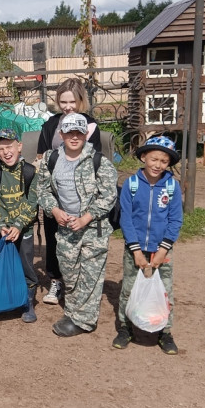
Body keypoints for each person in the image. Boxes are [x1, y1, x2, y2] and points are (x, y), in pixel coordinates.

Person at [36, 113, 117, 337]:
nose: (74, 137)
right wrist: (54, 210)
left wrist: (87, 217)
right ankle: (72, 312)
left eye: (78, 132)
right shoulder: (51, 159)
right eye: (69, 132)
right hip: (66, 228)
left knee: (90, 276)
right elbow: (42, 190)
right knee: (70, 273)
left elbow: (109, 196)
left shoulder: (98, 161)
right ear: (61, 134)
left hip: (93, 229)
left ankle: (83, 321)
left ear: (85, 135)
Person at [113, 136, 183, 354]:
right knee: (129, 289)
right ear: (144, 157)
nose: (158, 165)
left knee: (165, 291)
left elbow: (175, 220)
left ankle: (165, 332)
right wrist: (136, 251)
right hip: (134, 249)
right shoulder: (131, 185)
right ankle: (126, 327)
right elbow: (126, 219)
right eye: (154, 159)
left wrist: (163, 250)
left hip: (162, 250)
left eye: (164, 161)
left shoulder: (172, 186)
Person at [36, 78, 102, 306]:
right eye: (63, 102)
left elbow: (96, 161)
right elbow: (41, 155)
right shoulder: (51, 124)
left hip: (81, 194)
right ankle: (56, 280)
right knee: (54, 237)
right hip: (55, 192)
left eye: (72, 101)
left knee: (80, 239)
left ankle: (80, 283)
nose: (68, 107)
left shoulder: (91, 125)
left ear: (81, 100)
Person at [0, 128, 39, 324]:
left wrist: (18, 225)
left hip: (24, 230)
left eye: (10, 147)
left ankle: (27, 302)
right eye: (1, 149)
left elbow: (32, 203)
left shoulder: (31, 172)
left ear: (19, 146)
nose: (6, 152)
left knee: (26, 267)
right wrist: (1, 225)